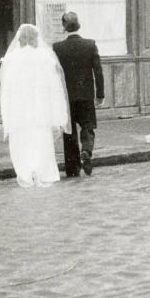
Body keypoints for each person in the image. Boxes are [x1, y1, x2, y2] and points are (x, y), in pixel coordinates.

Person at [0, 23, 69, 188]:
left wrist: (7, 114)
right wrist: (56, 112)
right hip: (41, 108)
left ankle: (26, 172)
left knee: (22, 142)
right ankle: (41, 171)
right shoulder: (45, 56)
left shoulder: (11, 59)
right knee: (40, 140)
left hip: (19, 109)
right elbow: (54, 87)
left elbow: (6, 90)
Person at [53, 11, 104, 178]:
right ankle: (87, 150)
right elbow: (98, 71)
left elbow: (54, 74)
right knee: (88, 126)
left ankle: (73, 168)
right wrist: (100, 94)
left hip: (66, 97)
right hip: (86, 95)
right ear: (79, 25)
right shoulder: (90, 45)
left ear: (64, 27)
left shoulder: (57, 48)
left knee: (69, 132)